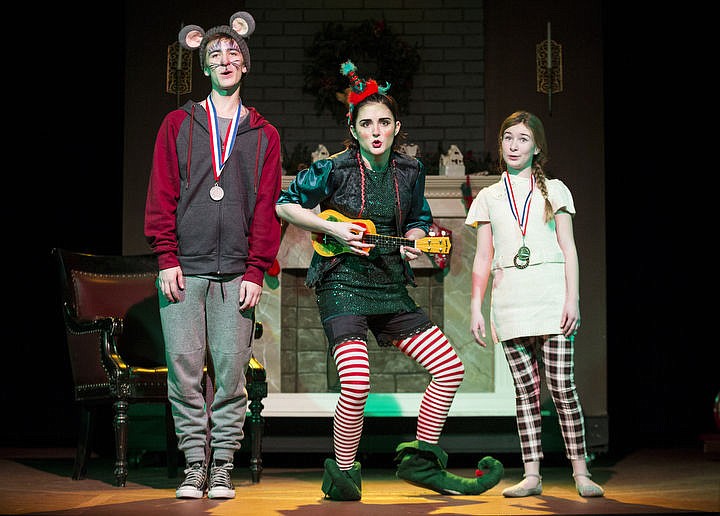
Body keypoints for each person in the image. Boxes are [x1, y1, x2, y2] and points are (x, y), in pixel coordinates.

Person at [275, 60, 503, 501]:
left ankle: (421, 461)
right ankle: (343, 476)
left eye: (383, 123)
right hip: (342, 282)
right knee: (357, 382)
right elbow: (285, 205)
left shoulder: (410, 171)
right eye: (366, 124)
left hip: (387, 281)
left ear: (396, 127)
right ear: (354, 128)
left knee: (449, 367)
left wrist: (416, 239)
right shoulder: (335, 169)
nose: (375, 131)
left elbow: (418, 218)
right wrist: (332, 228)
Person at [144, 11, 282, 500]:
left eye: (233, 53)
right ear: (204, 65)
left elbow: (267, 209)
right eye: (215, 55)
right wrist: (166, 257)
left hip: (237, 273)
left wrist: (257, 268)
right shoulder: (178, 124)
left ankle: (223, 464)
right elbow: (162, 194)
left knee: (230, 371)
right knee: (183, 369)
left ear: (245, 64)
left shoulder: (264, 135)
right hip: (184, 268)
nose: (226, 59)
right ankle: (194, 465)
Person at [465, 110, 604, 498]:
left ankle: (580, 471)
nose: (514, 145)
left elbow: (569, 248)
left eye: (523, 139)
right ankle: (531, 473)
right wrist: (477, 306)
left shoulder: (555, 189)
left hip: (550, 300)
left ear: (536, 147)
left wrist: (572, 298)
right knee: (525, 391)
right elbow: (481, 258)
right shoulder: (489, 197)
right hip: (511, 304)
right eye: (508, 137)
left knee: (561, 386)